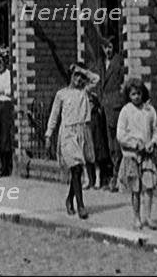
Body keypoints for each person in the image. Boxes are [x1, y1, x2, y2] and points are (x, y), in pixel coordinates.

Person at [45, 62, 100, 219]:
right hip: (68, 133)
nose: (79, 79)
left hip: (82, 132)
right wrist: (49, 134)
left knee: (77, 170)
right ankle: (81, 206)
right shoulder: (62, 94)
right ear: (71, 75)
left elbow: (96, 79)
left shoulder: (85, 91)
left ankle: (70, 199)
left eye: (81, 76)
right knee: (76, 168)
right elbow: (54, 115)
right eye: (76, 75)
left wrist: (83, 70)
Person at [116, 78, 157, 230]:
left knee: (148, 187)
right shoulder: (126, 111)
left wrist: (152, 143)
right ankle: (136, 217)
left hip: (147, 156)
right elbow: (120, 135)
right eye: (133, 94)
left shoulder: (149, 110)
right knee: (135, 189)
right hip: (132, 156)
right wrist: (135, 144)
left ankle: (148, 216)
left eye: (139, 93)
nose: (136, 97)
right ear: (128, 95)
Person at [100, 38, 125, 192]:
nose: (107, 50)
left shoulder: (119, 61)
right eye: (105, 47)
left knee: (116, 143)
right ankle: (110, 176)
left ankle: (117, 177)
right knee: (108, 143)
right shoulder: (101, 63)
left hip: (115, 106)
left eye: (109, 47)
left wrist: (119, 99)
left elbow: (123, 82)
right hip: (104, 107)